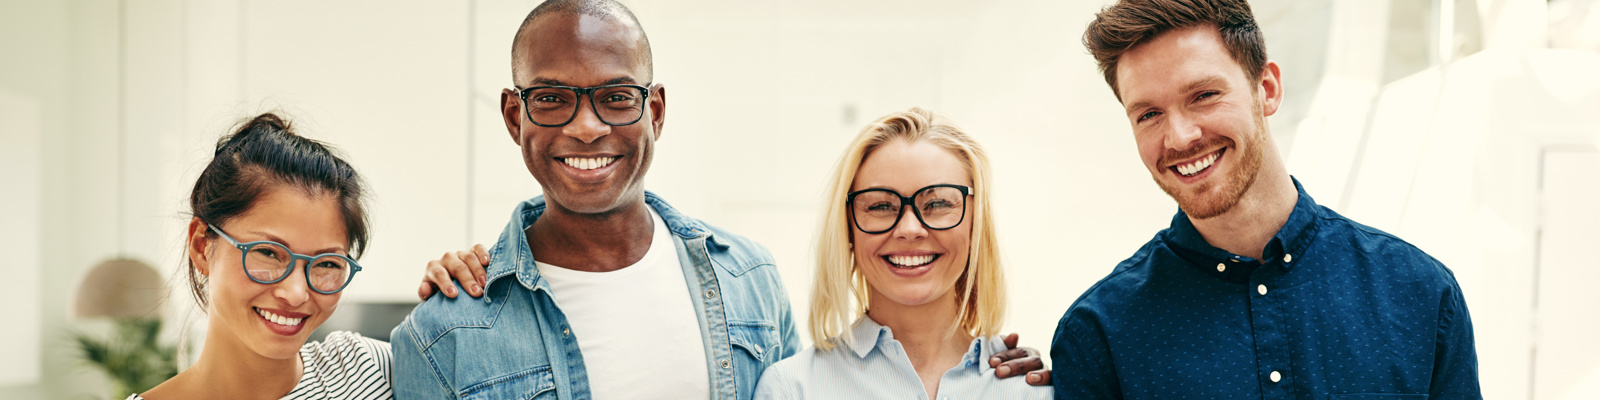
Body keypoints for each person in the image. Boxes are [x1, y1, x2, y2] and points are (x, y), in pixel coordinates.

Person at [393, 1, 1044, 399]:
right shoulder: (444, 330)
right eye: (553, 97)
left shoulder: (747, 280)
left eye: (615, 96)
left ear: (656, 110)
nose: (586, 126)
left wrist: (992, 369)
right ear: (514, 116)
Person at [1050, 0, 1481, 398]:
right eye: (1148, 114)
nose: (1179, 137)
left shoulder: (1420, 293)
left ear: (1268, 88)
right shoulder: (1098, 336)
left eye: (1203, 95)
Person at [135, 113, 474, 399]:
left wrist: (469, 300)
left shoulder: (372, 373)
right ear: (201, 246)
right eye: (268, 253)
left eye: (327, 263)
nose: (296, 294)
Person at [752, 108, 1051, 400]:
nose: (910, 229)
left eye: (937, 204)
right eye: (881, 206)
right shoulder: (791, 389)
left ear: (976, 224)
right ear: (847, 230)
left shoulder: (1036, 389)